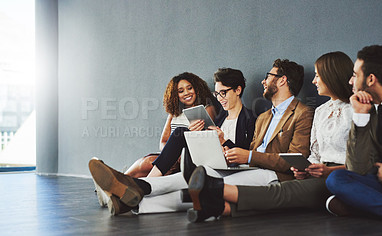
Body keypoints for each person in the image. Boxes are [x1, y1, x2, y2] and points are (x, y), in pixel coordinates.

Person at [186, 52, 354, 222]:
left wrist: (250, 156)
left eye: (269, 76)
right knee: (208, 174)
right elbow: (313, 154)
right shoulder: (269, 116)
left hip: (286, 173)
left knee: (280, 192)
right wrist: (305, 168)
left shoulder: (307, 112)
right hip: (287, 171)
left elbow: (289, 156)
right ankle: (218, 207)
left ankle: (214, 189)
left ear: (282, 80)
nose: (263, 81)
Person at [89, 68, 258, 215]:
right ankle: (126, 190)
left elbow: (246, 154)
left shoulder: (250, 119)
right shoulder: (220, 118)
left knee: (167, 145)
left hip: (225, 167)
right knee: (177, 135)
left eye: (224, 92)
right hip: (205, 159)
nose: (220, 98)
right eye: (217, 93)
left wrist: (224, 141)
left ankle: (128, 187)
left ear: (237, 90)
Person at [93, 72, 218, 208]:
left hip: (190, 157)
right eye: (180, 91)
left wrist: (193, 134)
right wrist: (171, 156)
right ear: (176, 95)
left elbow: (208, 136)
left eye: (189, 88)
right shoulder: (174, 113)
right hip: (172, 158)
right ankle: (116, 185)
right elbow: (163, 142)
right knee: (144, 164)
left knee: (146, 163)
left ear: (197, 88)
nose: (186, 93)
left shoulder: (207, 108)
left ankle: (116, 184)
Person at [325, 45, 382, 221]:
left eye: (355, 75)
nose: (351, 81)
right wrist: (359, 116)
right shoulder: (370, 110)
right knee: (336, 179)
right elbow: (357, 168)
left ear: (371, 79)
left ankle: (363, 206)